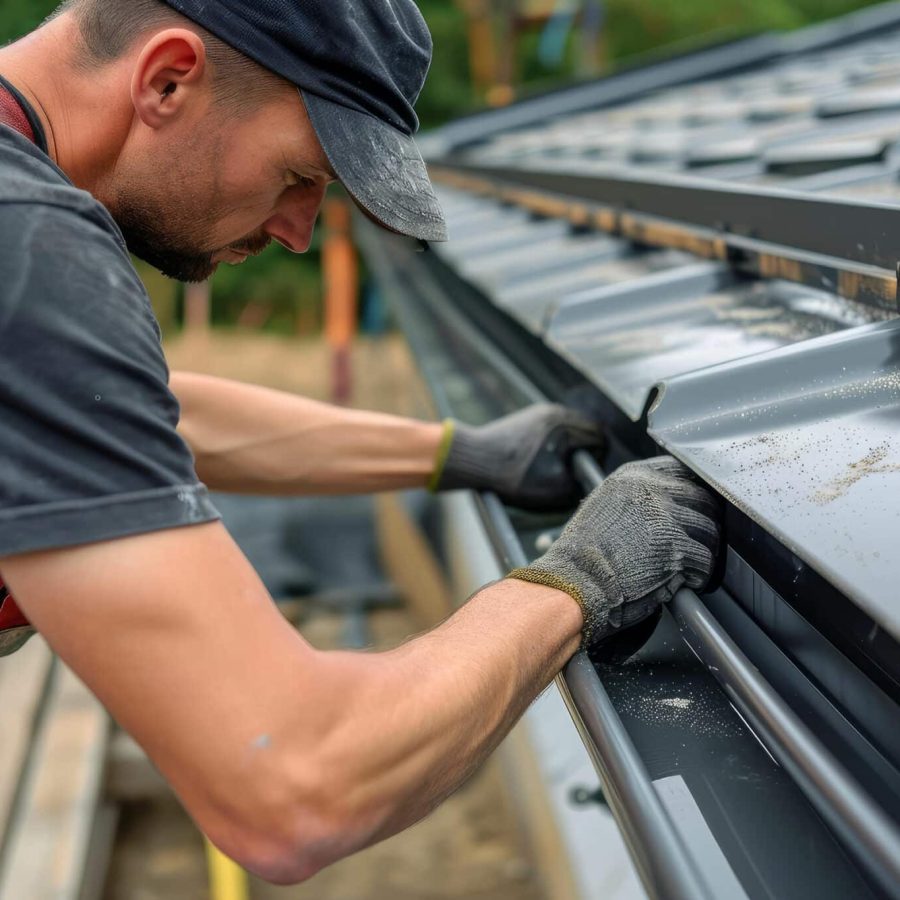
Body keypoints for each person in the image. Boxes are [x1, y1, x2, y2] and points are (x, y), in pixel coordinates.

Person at [0, 0, 721, 885]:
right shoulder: (30, 248)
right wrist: (583, 581)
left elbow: (128, 413)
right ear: (168, 78)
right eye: (298, 173)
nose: (299, 231)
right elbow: (294, 783)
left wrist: (464, 453)